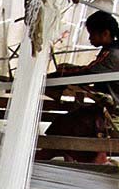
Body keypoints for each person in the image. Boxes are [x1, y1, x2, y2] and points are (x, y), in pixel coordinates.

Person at [37, 10, 119, 164]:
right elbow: (91, 69)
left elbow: (88, 73)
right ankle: (63, 157)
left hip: (112, 113)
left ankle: (95, 160)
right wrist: (67, 69)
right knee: (66, 122)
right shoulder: (112, 51)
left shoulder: (112, 55)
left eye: (92, 34)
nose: (89, 38)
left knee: (65, 125)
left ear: (105, 33)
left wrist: (62, 72)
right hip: (108, 109)